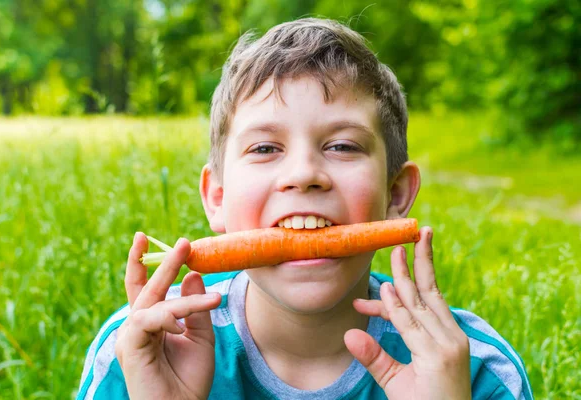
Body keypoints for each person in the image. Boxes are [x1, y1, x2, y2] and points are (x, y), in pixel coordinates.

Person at [76, 18, 532, 399]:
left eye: (342, 145)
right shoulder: (139, 349)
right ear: (217, 197)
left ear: (395, 195)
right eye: (264, 148)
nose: (304, 173)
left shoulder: (473, 369)